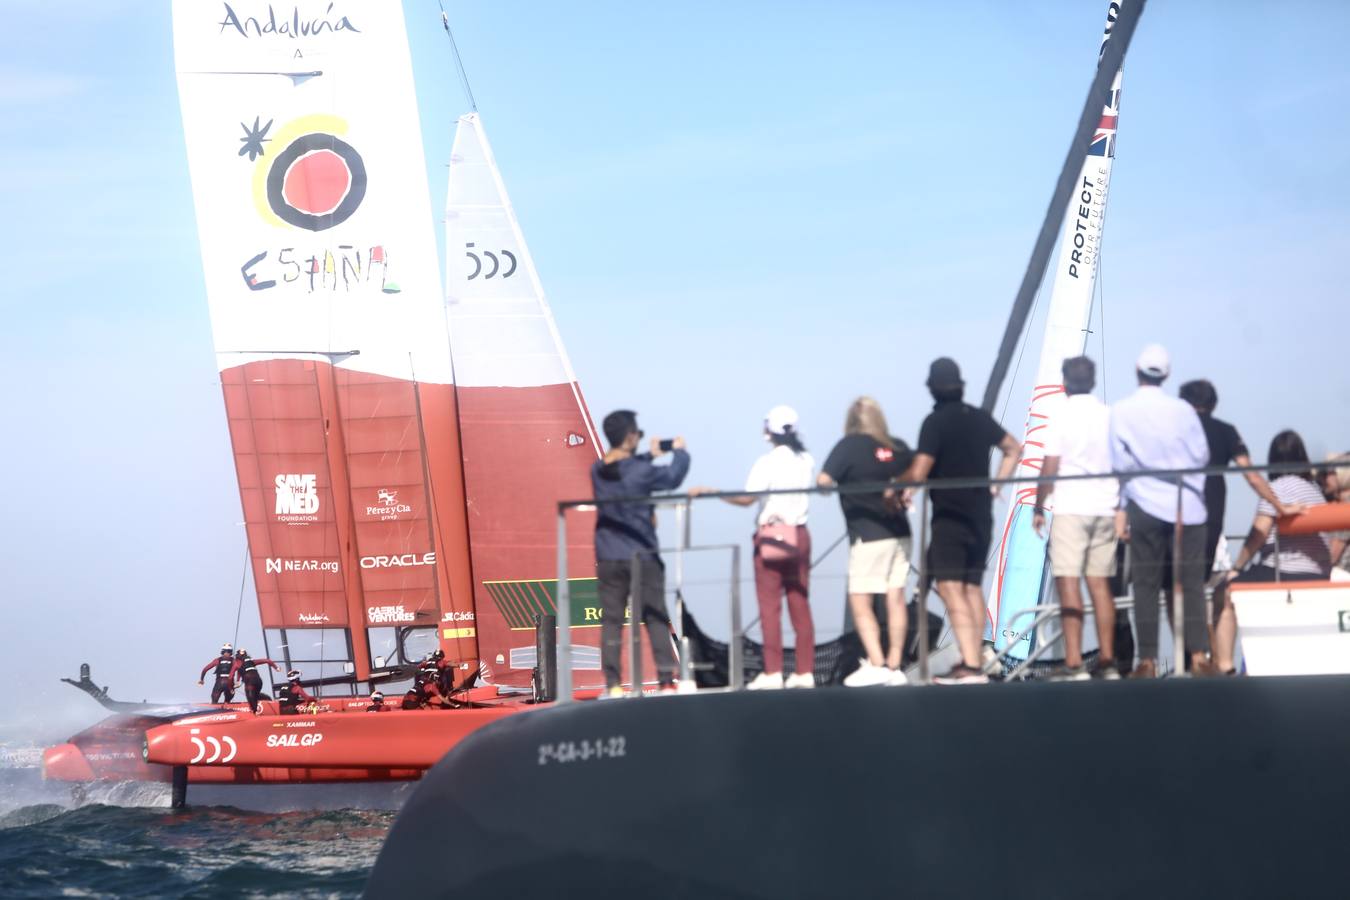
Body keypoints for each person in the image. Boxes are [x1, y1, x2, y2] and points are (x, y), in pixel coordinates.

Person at [901, 358, 1021, 685]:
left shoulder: (935, 423)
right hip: (981, 515)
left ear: (932, 388)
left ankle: (970, 665)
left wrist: (903, 486)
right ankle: (979, 656)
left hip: (950, 518)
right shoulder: (979, 418)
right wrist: (997, 483)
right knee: (970, 587)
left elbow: (922, 469)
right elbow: (1013, 448)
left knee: (950, 587)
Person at [692, 405, 817, 689]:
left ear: (768, 430)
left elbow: (747, 499)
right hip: (800, 534)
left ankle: (773, 672)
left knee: (769, 606)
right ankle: (805, 670)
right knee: (800, 603)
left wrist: (714, 493)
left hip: (771, 535)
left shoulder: (768, 462)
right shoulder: (806, 460)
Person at [1109, 344, 1214, 678]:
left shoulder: (1122, 410)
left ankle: (1148, 660)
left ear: (1137, 371)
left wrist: (1124, 504)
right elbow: (1201, 455)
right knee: (1192, 582)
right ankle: (1199, 656)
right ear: (1166, 375)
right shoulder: (1183, 411)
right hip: (1188, 505)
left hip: (1144, 502)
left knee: (1146, 583)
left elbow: (1118, 462)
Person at [1031, 356, 1121, 680]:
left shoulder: (1060, 415)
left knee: (1068, 582)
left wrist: (1039, 506)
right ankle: (1108, 660)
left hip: (1071, 507)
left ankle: (1072, 663)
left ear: (1064, 382)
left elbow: (1050, 466)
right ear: (1093, 381)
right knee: (1100, 585)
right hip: (1105, 507)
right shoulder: (1109, 415)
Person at [1212, 431, 1333, 671]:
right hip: (1318, 574)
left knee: (1223, 593)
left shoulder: (1277, 489)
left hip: (1283, 572)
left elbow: (1260, 532)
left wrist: (1236, 568)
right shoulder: (1316, 492)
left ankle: (1224, 667)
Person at [592, 409, 690, 697]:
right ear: (631, 436)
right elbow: (673, 478)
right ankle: (665, 681)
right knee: (655, 616)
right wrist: (680, 452)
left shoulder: (597, 470)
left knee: (611, 622)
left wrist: (649, 454)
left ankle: (612, 684)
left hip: (609, 556)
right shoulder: (640, 471)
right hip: (642, 556)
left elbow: (625, 469)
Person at [817, 397, 914, 687]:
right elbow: (916, 472)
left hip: (868, 535)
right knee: (895, 597)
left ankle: (876, 663)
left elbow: (823, 480)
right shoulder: (896, 445)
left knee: (860, 600)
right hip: (901, 532)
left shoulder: (848, 446)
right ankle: (896, 665)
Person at [1178, 379, 1301, 577]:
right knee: (1198, 580)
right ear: (1213, 404)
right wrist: (1280, 507)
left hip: (1176, 507)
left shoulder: (1175, 430)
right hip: (1212, 507)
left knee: (1174, 581)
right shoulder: (1225, 430)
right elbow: (1252, 476)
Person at [1318, 453, 1350, 574]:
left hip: (1342, 577)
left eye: (1329, 473)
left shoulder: (1345, 507)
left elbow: (1333, 553)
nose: (1323, 479)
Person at [230, 649, 280, 714]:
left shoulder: (237, 664)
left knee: (250, 695)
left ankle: (254, 711)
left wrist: (231, 688)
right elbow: (267, 660)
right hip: (259, 682)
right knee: (255, 696)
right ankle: (264, 701)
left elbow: (230, 677)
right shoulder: (252, 662)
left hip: (250, 682)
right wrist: (277, 668)